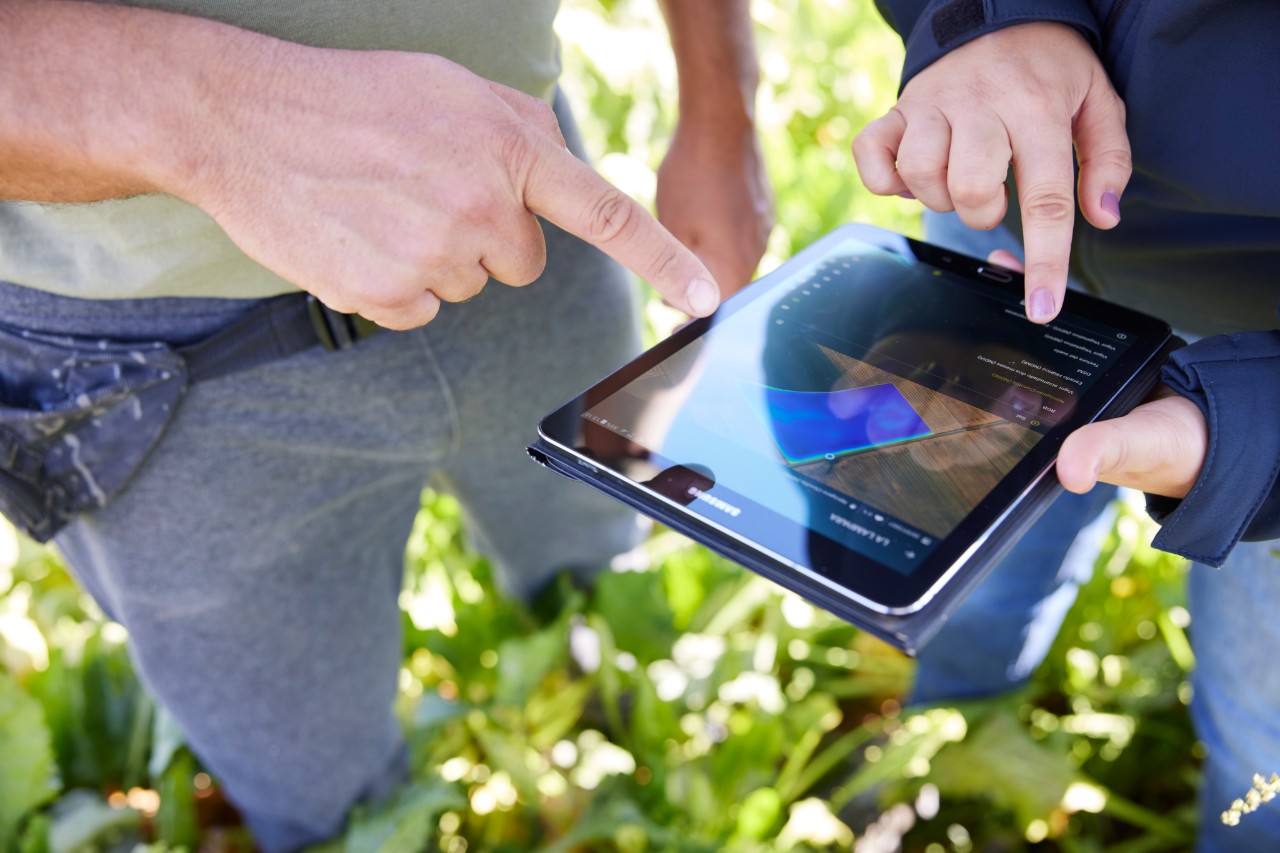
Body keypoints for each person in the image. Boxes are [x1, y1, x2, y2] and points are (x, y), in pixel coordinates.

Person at [0, 0, 771, 849]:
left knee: (593, 552)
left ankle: (598, 689)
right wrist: (222, 119)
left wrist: (719, 106)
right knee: (325, 795)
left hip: (520, 211)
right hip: (161, 367)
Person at [853, 3, 1280, 849]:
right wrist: (994, 17)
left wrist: (1259, 440)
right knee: (968, 560)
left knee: (1265, 719)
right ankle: (944, 740)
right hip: (1011, 195)